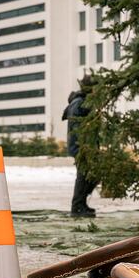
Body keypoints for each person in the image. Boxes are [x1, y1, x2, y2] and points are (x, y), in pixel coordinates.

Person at [62, 75, 98, 218]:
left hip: (87, 146)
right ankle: (77, 207)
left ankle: (81, 204)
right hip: (81, 147)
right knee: (83, 177)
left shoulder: (85, 103)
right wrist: (83, 147)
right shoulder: (78, 103)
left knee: (90, 176)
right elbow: (77, 129)